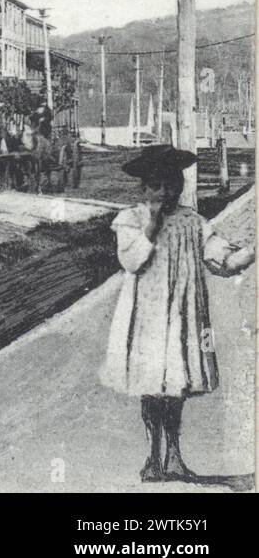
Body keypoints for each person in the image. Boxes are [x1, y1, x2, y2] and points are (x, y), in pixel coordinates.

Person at [100, 145, 254, 482]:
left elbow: (217, 255)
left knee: (177, 385)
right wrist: (151, 227)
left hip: (183, 317)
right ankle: (152, 457)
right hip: (148, 318)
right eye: (156, 185)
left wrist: (238, 257)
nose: (165, 192)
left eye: (172, 184)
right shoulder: (131, 220)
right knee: (152, 383)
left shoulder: (192, 222)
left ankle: (173, 457)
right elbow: (132, 261)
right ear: (143, 189)